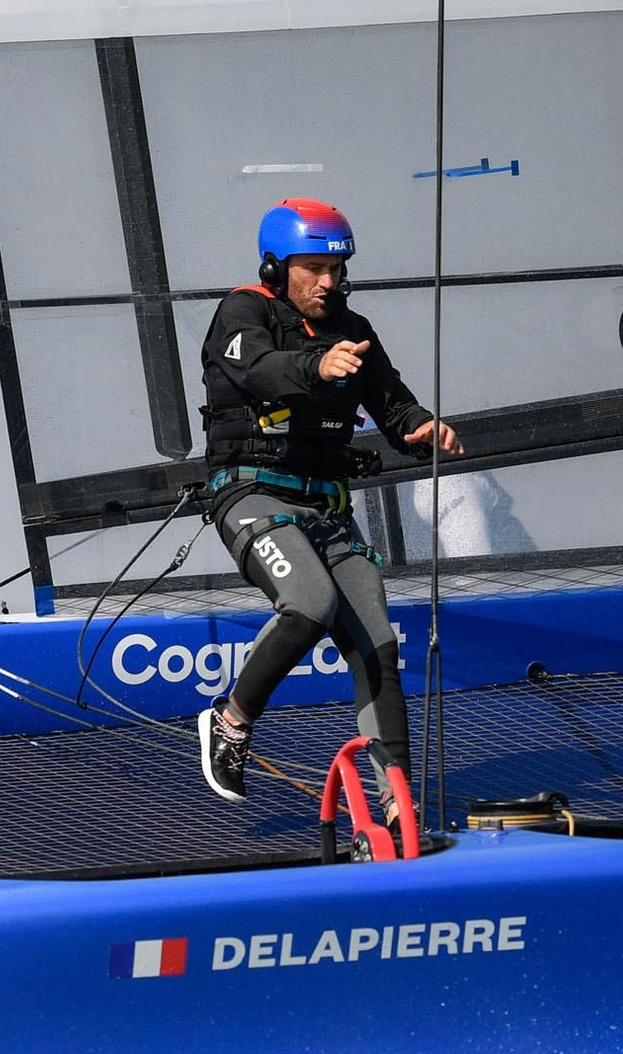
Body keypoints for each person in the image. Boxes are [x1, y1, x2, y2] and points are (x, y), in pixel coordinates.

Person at [196, 197, 462, 828]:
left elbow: (393, 404)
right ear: (274, 267)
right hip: (252, 494)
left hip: (327, 509)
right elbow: (260, 370)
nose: (327, 282)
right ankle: (230, 722)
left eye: (336, 269)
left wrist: (422, 426)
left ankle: (397, 799)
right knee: (310, 603)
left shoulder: (354, 327)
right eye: (312, 268)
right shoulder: (242, 311)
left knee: (377, 642)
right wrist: (316, 362)